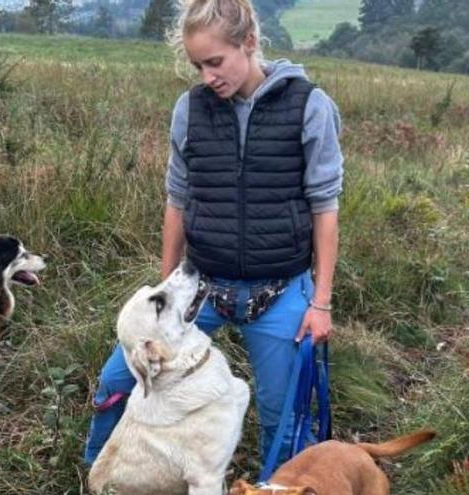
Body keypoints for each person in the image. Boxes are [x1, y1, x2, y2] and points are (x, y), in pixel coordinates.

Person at [83, 0, 344, 468]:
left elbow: (325, 206)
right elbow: (177, 199)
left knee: (281, 416)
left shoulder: (309, 106)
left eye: (215, 62)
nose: (207, 76)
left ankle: (278, 484)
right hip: (199, 289)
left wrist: (320, 302)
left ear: (248, 43)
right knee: (117, 383)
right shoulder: (190, 109)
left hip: (280, 292)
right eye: (197, 65)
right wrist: (164, 288)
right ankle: (100, 473)